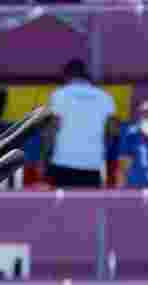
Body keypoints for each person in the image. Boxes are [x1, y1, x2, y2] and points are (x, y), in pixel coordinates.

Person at [45, 59, 116, 189]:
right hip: (93, 164)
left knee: (63, 207)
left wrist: (46, 157)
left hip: (62, 162)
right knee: (89, 207)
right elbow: (112, 132)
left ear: (66, 75)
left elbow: (52, 130)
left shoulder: (59, 95)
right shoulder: (105, 96)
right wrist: (101, 153)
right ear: (85, 74)